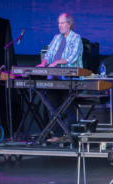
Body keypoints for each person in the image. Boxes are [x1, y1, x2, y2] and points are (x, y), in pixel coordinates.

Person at [37, 13, 83, 143]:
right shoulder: (56, 38)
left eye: (62, 23)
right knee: (52, 105)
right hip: (54, 78)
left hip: (69, 78)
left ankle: (72, 135)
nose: (60, 26)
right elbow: (49, 53)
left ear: (69, 24)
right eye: (58, 23)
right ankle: (57, 134)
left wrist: (57, 62)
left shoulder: (76, 38)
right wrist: (43, 63)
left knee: (69, 108)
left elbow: (72, 58)